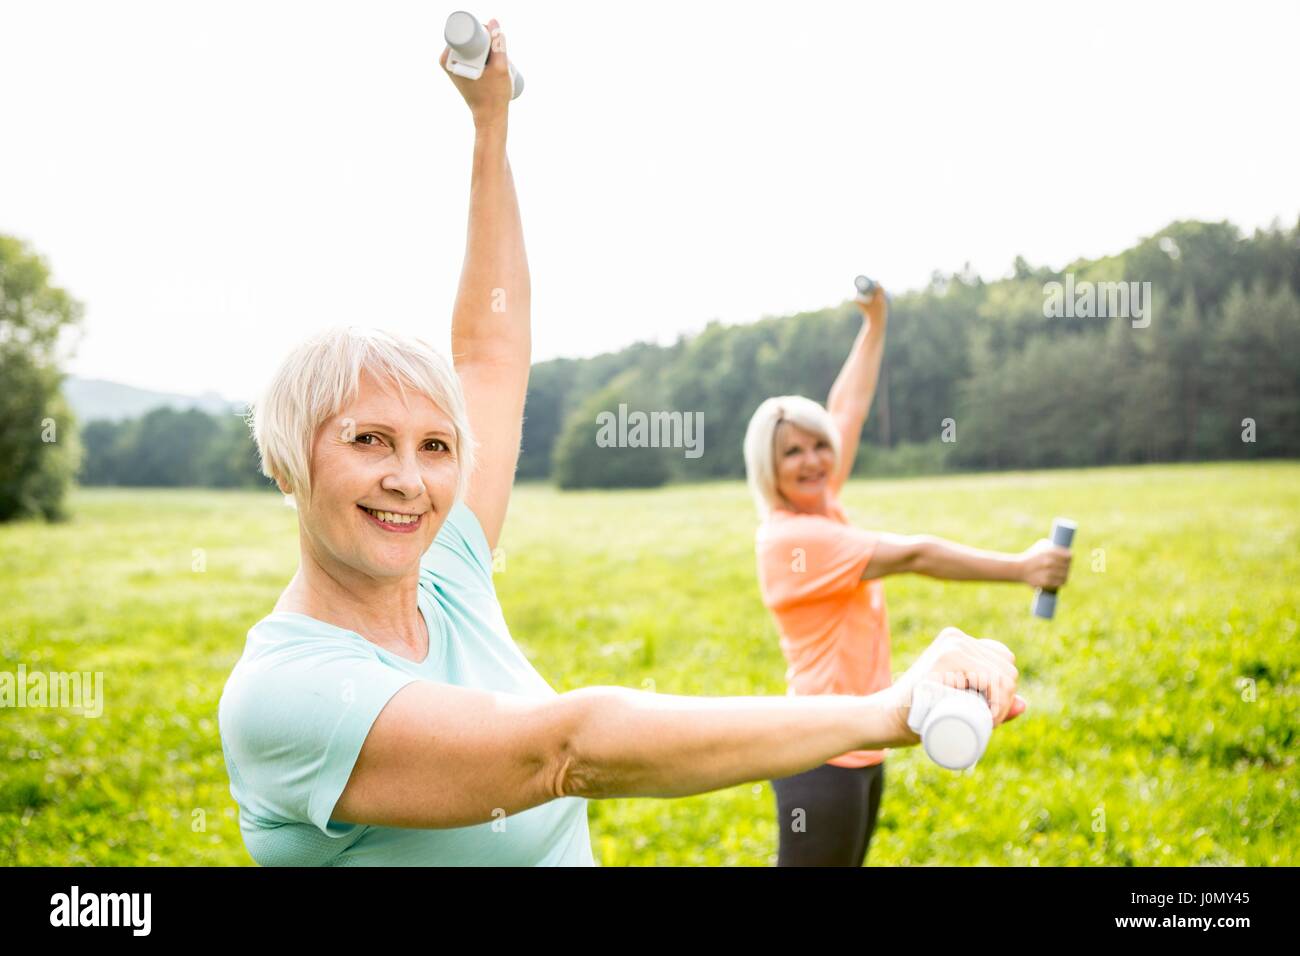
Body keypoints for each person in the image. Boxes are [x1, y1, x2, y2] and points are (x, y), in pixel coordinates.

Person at [217, 18, 1028, 867]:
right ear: (286, 460)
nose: (410, 481)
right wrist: (883, 712)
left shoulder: (446, 568)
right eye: (370, 441)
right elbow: (566, 750)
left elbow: (490, 351)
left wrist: (490, 124)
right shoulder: (288, 697)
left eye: (436, 447)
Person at [744, 285, 1072, 866]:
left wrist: (874, 326)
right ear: (769, 468)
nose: (815, 460)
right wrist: (1022, 568)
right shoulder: (796, 537)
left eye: (820, 446)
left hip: (855, 744)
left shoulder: (819, 504)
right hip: (818, 756)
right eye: (793, 452)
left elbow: (848, 408)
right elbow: (917, 554)